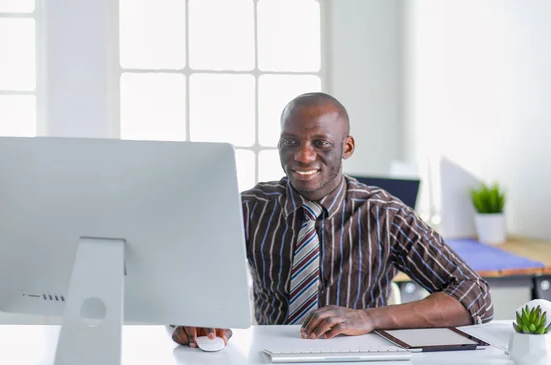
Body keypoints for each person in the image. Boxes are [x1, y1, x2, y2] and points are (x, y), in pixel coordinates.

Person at [172, 92, 493, 348]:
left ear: (347, 147)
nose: (303, 156)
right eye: (290, 142)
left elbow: (475, 296)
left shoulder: (386, 215)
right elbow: (187, 278)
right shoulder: (249, 208)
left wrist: (368, 318)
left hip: (360, 361)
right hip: (267, 360)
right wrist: (192, 318)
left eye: (321, 143)